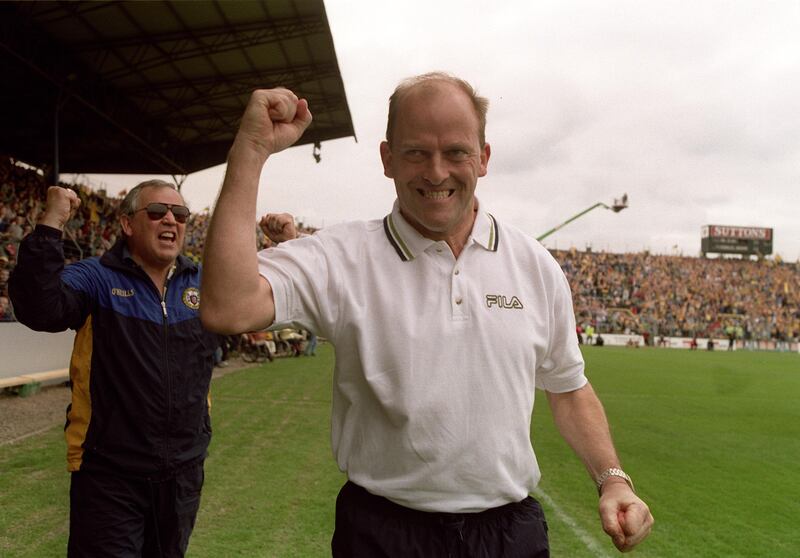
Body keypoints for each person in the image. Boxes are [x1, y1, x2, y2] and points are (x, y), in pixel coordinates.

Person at [200, 73, 653, 556]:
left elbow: (568, 387)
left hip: (507, 534)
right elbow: (228, 306)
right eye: (416, 152)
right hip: (383, 532)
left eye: (455, 152)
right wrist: (250, 150)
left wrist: (613, 480)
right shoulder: (342, 256)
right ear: (387, 158)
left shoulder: (534, 266)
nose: (436, 172)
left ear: (483, 158)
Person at [9, 180, 219, 557]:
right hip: (110, 476)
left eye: (180, 214)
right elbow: (39, 308)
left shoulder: (203, 284)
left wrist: (287, 246)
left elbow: (266, 301)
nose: (170, 220)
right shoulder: (97, 277)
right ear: (127, 224)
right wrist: (52, 221)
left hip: (183, 475)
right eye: (157, 212)